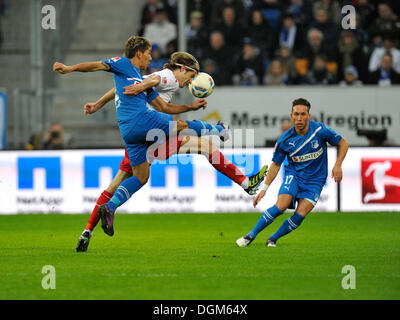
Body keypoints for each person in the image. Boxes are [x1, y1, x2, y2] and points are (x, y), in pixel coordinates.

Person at [75, 52, 269, 252]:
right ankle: (243, 176)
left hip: (140, 136)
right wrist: (143, 86)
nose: (191, 81)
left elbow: (121, 88)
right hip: (152, 133)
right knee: (204, 146)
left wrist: (99, 103)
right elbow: (154, 80)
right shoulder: (169, 76)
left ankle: (87, 231)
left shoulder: (158, 77)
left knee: (117, 184)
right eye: (192, 76)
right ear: (183, 69)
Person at [53, 36, 235, 240]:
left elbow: (164, 107)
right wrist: (69, 69)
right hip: (142, 120)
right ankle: (219, 130)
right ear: (138, 53)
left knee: (141, 177)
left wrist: (190, 107)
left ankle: (109, 208)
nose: (150, 58)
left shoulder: (138, 79)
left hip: (129, 132)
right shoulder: (123, 64)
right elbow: (96, 65)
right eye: (148, 53)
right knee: (180, 125)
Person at [236, 98, 349, 247]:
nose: (299, 118)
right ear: (291, 116)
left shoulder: (319, 131)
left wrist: (338, 165)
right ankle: (250, 235)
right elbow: (276, 164)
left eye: (303, 114)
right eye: (296, 114)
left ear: (309, 116)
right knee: (281, 206)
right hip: (294, 175)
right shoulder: (284, 140)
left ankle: (273, 239)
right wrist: (264, 189)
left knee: (301, 214)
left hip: (315, 180)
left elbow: (343, 143)